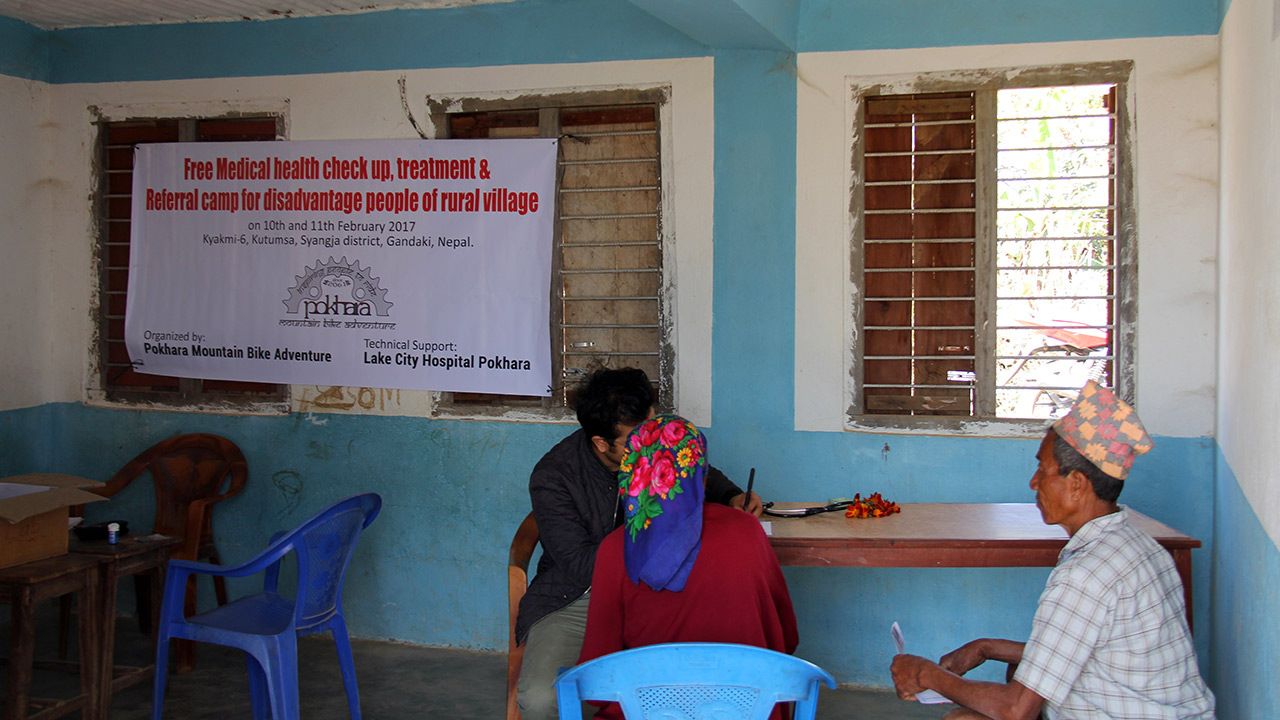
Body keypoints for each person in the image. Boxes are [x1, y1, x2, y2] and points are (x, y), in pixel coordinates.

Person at [890, 380, 1216, 720]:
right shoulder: (1139, 546)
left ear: (1076, 484)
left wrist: (926, 674)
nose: (1034, 482)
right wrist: (987, 647)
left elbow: (1017, 709)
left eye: (1042, 470)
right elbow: (1084, 652)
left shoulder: (1086, 574)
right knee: (1007, 682)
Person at [515, 368, 762, 720]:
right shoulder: (554, 476)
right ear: (601, 443)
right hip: (580, 596)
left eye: (653, 430)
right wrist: (656, 549)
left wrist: (732, 495)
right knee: (540, 699)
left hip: (663, 591)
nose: (653, 447)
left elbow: (688, 467)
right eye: (637, 441)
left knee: (706, 682)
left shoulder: (655, 445)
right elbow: (582, 565)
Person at [577, 414, 798, 720]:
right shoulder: (747, 530)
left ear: (632, 475)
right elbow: (786, 638)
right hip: (750, 711)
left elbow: (598, 680)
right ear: (701, 476)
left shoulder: (615, 549)